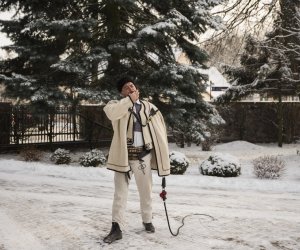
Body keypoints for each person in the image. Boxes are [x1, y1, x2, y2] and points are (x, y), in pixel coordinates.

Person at [103, 76, 170, 244]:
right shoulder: (116, 106)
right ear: (121, 92)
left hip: (143, 156)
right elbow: (112, 114)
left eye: (132, 85)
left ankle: (147, 220)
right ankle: (116, 227)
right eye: (126, 87)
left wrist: (162, 153)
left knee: (146, 190)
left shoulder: (149, 107)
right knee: (120, 193)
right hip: (123, 157)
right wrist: (129, 101)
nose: (131, 88)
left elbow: (160, 130)